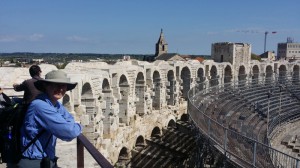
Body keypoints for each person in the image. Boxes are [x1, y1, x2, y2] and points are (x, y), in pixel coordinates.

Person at [18, 70, 82, 168]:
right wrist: (79, 126)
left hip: (46, 159)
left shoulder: (55, 104)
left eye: (63, 85)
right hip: (34, 162)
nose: (60, 89)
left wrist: (70, 125)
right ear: (46, 86)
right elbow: (69, 132)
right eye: (55, 85)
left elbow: (69, 118)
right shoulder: (40, 106)